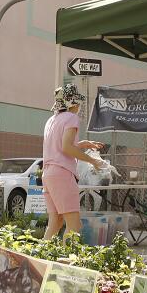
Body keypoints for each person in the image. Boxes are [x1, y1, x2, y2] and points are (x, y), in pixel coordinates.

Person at [41, 84, 105, 240]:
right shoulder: (71, 118)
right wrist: (93, 161)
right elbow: (66, 147)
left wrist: (83, 144)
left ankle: (38, 257)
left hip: (48, 174)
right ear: (73, 103)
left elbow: (58, 145)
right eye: (78, 102)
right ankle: (67, 261)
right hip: (62, 173)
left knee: (55, 222)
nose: (79, 106)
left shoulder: (51, 120)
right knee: (74, 225)